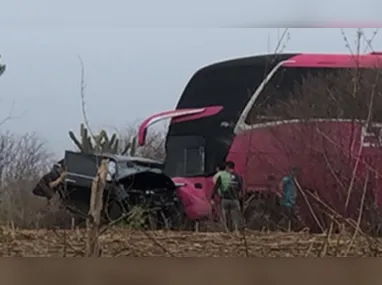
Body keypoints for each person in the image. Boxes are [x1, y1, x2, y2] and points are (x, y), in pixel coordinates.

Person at [211, 160, 243, 232]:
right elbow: (241, 190)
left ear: (227, 167)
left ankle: (226, 231)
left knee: (225, 217)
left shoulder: (222, 176)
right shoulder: (239, 177)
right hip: (235, 200)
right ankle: (236, 231)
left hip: (225, 199)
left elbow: (216, 187)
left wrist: (212, 197)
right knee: (235, 218)